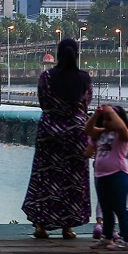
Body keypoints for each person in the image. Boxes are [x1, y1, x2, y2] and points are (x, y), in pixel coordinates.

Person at [22, 38, 93, 239]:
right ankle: (67, 228)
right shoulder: (84, 78)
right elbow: (85, 105)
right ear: (77, 54)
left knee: (45, 178)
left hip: (49, 133)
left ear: (58, 54)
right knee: (72, 181)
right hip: (76, 134)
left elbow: (43, 102)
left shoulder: (47, 77)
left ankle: (40, 226)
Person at [85, 104, 128, 250]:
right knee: (106, 209)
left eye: (110, 119)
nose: (107, 123)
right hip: (101, 175)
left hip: (118, 174)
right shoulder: (100, 134)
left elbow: (122, 128)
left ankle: (126, 240)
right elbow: (87, 129)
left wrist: (112, 112)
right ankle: (107, 237)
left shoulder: (123, 135)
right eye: (105, 120)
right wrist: (96, 115)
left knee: (120, 208)